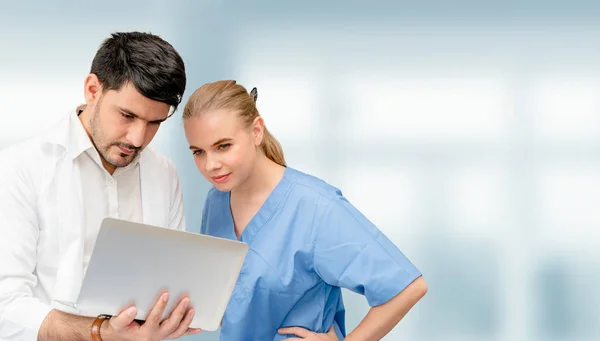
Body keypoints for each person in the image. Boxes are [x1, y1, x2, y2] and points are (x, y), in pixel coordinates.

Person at [182, 80, 428, 341]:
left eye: (223, 146)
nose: (210, 165)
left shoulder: (316, 207)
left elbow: (407, 288)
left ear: (256, 131)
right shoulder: (217, 201)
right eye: (198, 152)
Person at [0, 32, 202, 341]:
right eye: (127, 115)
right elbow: (6, 306)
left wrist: (168, 316)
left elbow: (166, 284)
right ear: (93, 89)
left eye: (154, 123)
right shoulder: (21, 168)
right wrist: (101, 333)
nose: (137, 138)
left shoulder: (164, 173)